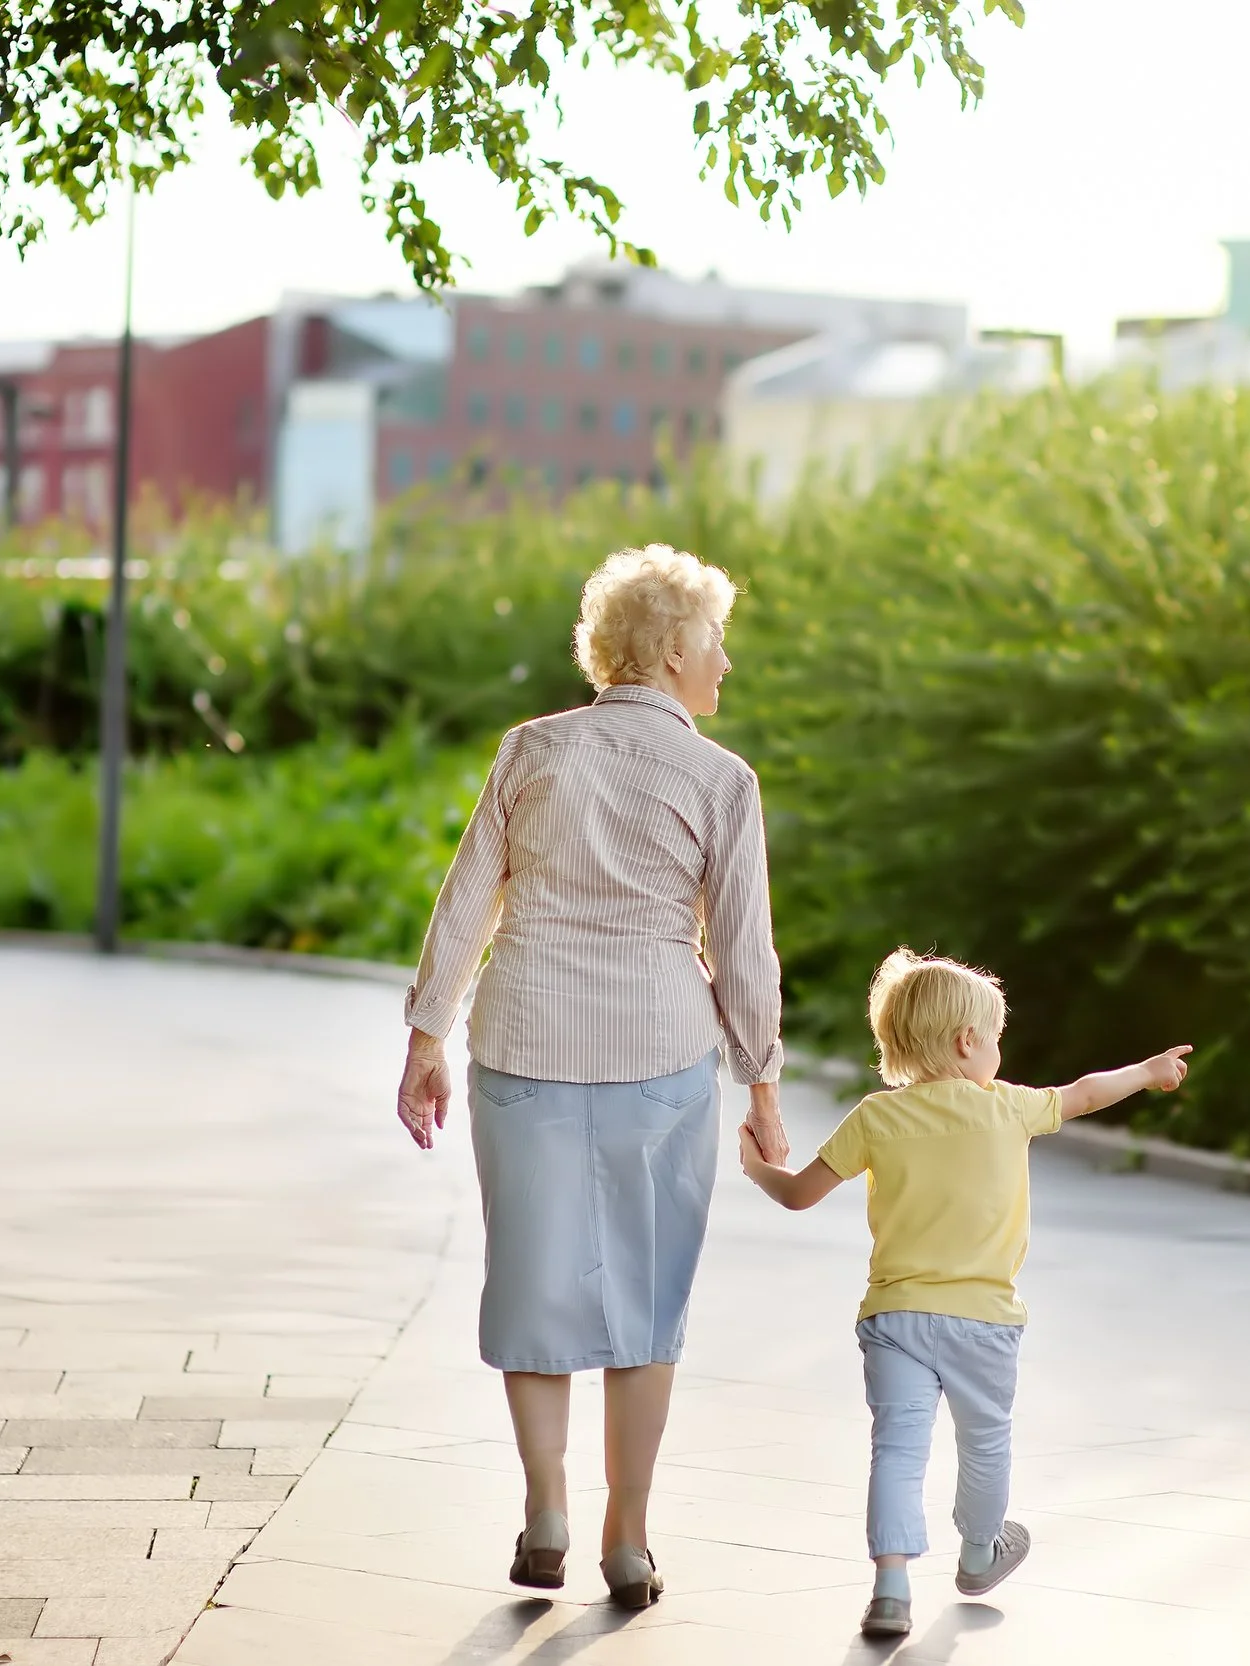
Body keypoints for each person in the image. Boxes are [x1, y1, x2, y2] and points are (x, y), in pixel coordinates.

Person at [395, 544, 789, 1609]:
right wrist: (761, 1082)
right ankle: (628, 1535)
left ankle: (545, 1507)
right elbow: (745, 953)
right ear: (672, 650)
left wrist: (428, 1035)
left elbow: (467, 894)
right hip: (661, 1058)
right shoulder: (722, 780)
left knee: (534, 1278)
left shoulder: (531, 750)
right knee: (643, 1300)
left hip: (522, 1042)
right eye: (716, 642)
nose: (724, 665)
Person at [737, 948, 1191, 1639]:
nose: (1001, 1052)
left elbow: (799, 1194)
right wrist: (1150, 1072)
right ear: (967, 1042)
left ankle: (890, 1587)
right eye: (998, 1038)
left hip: (895, 1318)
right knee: (985, 1442)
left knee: (896, 1447)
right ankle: (979, 1553)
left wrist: (755, 1167)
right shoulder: (1008, 1109)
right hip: (984, 1320)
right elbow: (1089, 1091)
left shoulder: (876, 1117)